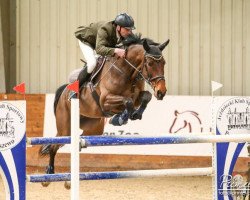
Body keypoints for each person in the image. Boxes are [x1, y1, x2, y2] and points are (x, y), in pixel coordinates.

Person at [68, 13, 136, 99]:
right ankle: (74, 89)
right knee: (92, 63)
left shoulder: (125, 32)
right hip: (87, 41)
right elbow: (99, 49)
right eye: (127, 29)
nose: (129, 32)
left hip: (102, 43)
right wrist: (115, 50)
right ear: (118, 27)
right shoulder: (105, 29)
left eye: (130, 29)